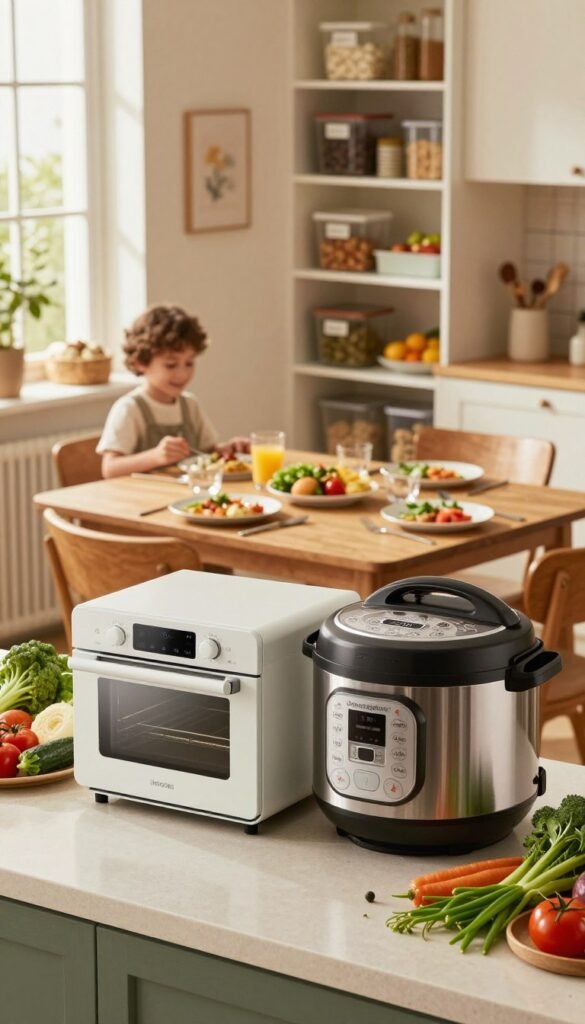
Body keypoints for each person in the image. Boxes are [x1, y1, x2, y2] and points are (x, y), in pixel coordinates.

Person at [97, 304, 248, 478]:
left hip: (188, 500)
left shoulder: (189, 405)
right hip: (144, 501)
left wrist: (231, 449)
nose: (182, 373)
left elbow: (208, 453)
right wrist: (155, 457)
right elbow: (110, 469)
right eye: (171, 365)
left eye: (189, 363)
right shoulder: (130, 408)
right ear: (141, 362)